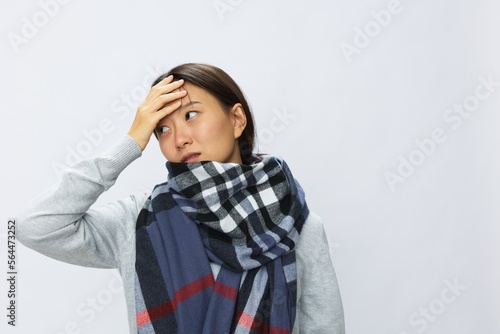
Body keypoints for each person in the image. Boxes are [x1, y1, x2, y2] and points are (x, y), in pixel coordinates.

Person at [17, 63, 345, 334]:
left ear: (236, 120)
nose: (180, 139)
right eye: (162, 128)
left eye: (190, 115)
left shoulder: (297, 224)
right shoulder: (139, 221)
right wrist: (130, 143)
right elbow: (35, 226)